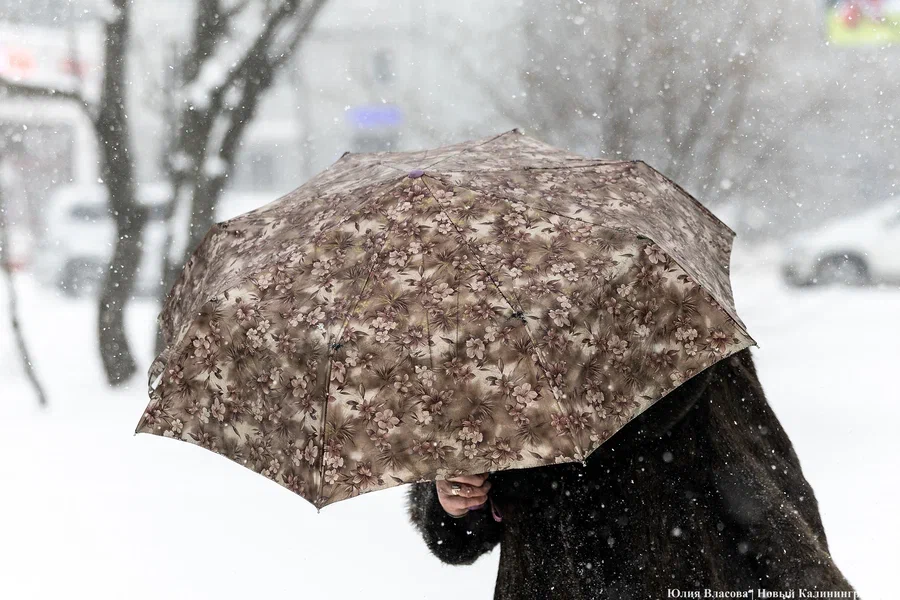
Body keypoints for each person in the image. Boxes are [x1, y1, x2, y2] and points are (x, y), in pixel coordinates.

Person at [407, 349, 857, 599]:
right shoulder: (473, 359)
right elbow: (456, 542)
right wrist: (455, 502)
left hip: (682, 574)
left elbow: (759, 481)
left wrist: (808, 582)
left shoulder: (684, 333)